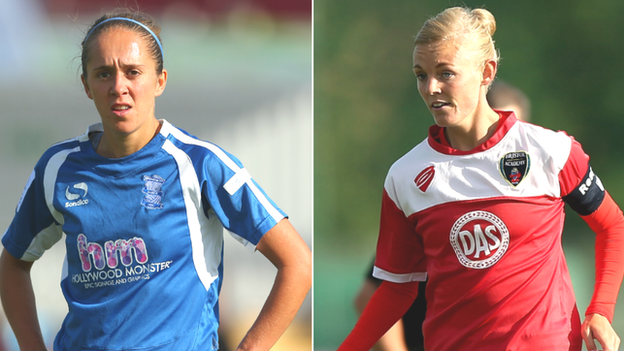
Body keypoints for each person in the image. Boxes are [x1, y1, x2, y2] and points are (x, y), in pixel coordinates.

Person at [0, 11, 311, 351]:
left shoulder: (201, 164)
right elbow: (13, 263)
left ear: (160, 80)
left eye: (133, 72)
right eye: (104, 74)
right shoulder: (59, 167)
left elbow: (297, 263)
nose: (119, 87)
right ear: (87, 85)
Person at [339, 6, 624, 351]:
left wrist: (601, 311)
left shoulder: (550, 150)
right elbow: (398, 287)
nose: (431, 88)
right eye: (420, 74)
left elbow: (612, 225)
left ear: (486, 72)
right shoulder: (405, 176)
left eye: (446, 73)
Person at [352, 80, 532, 351]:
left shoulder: (529, 208)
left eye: (517, 126)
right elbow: (371, 296)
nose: (508, 135)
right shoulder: (432, 196)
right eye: (498, 124)